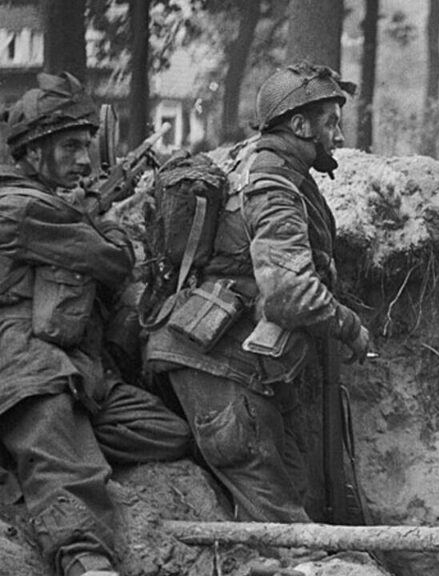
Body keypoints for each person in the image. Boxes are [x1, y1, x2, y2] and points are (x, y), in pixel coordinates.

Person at [145, 62, 371, 523]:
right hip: (219, 370)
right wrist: (350, 328)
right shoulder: (271, 183)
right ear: (299, 125)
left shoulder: (270, 170)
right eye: (330, 123)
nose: (339, 138)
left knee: (300, 501)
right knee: (283, 530)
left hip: (241, 371)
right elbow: (289, 293)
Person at [0, 72, 190, 576]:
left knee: (168, 434)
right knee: (69, 469)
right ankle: (86, 558)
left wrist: (86, 207)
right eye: (69, 148)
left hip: (79, 370)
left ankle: (24, 449)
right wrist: (101, 217)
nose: (84, 161)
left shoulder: (54, 205)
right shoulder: (19, 208)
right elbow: (111, 260)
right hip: (24, 366)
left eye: (86, 146)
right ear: (32, 154)